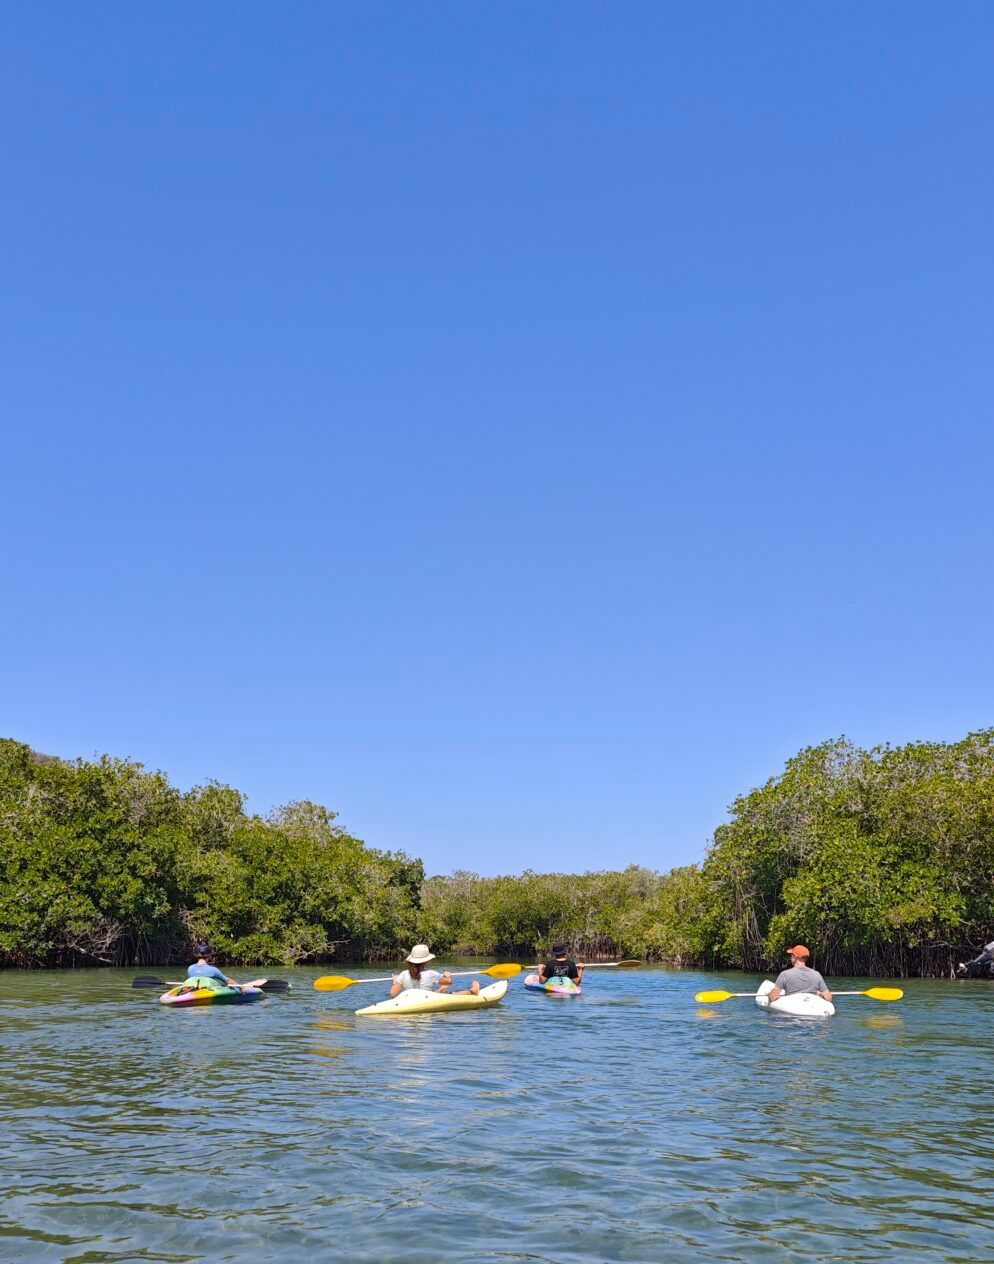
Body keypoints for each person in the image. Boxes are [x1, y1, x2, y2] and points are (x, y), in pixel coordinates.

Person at [390, 944, 480, 998]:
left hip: (412, 1000)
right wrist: (448, 975)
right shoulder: (431, 974)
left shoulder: (403, 974)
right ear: (426, 961)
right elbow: (448, 982)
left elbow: (393, 994)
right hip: (427, 999)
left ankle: (440, 990)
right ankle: (473, 990)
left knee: (436, 992)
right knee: (453, 994)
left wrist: (395, 981)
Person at [767, 945, 832, 1004]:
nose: (791, 957)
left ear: (795, 957)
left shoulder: (785, 974)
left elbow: (772, 998)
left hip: (792, 1009)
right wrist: (820, 994)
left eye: (791, 954)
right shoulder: (817, 974)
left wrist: (770, 995)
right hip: (811, 1008)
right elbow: (829, 998)